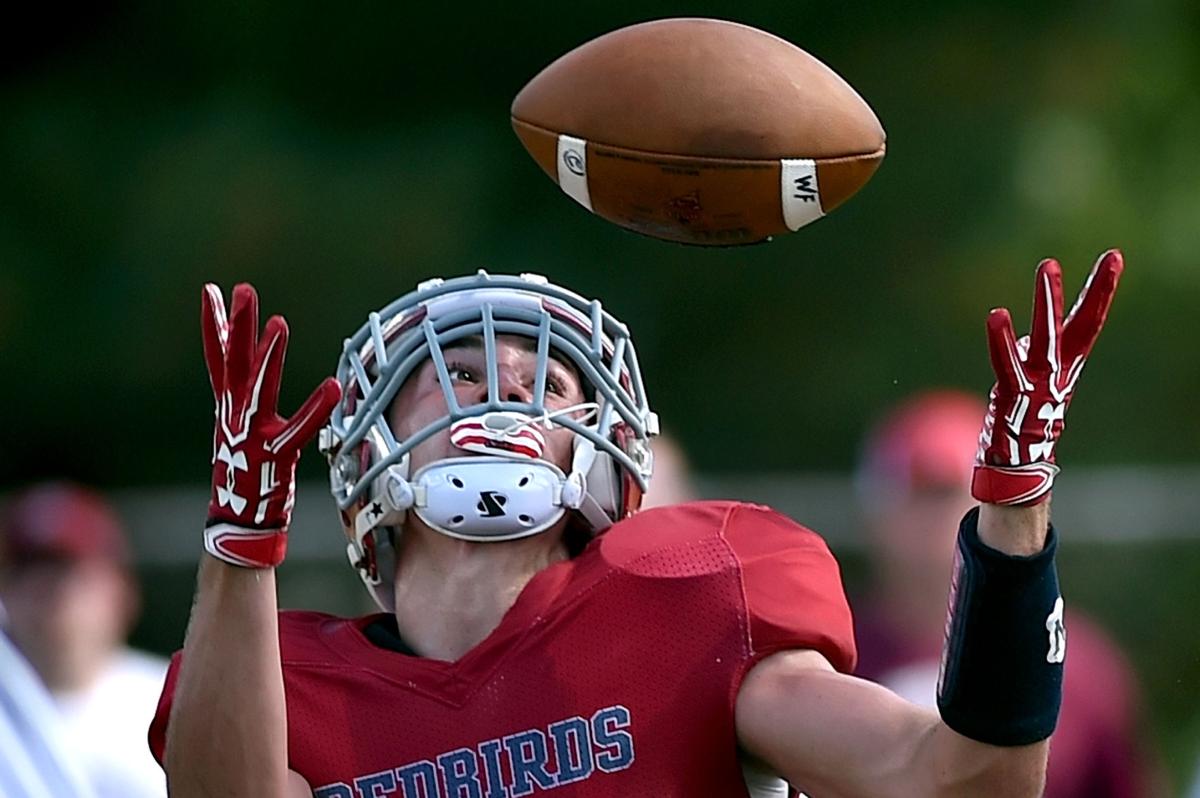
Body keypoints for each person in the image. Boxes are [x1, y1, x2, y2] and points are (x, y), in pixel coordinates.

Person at [152, 253, 1123, 797]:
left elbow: (967, 785)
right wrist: (239, 547)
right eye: (462, 378)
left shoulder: (685, 606)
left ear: (605, 453)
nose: (506, 399)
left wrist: (1016, 505)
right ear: (368, 452)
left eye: (547, 388)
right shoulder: (288, 688)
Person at [852, 389, 1161, 798]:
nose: (933, 519)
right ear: (875, 513)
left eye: (949, 494)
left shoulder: (1074, 663)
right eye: (917, 496)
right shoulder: (835, 652)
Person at [0, 483, 168, 798]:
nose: (44, 590)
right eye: (26, 570)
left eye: (67, 571)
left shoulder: (173, 705)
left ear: (120, 591)